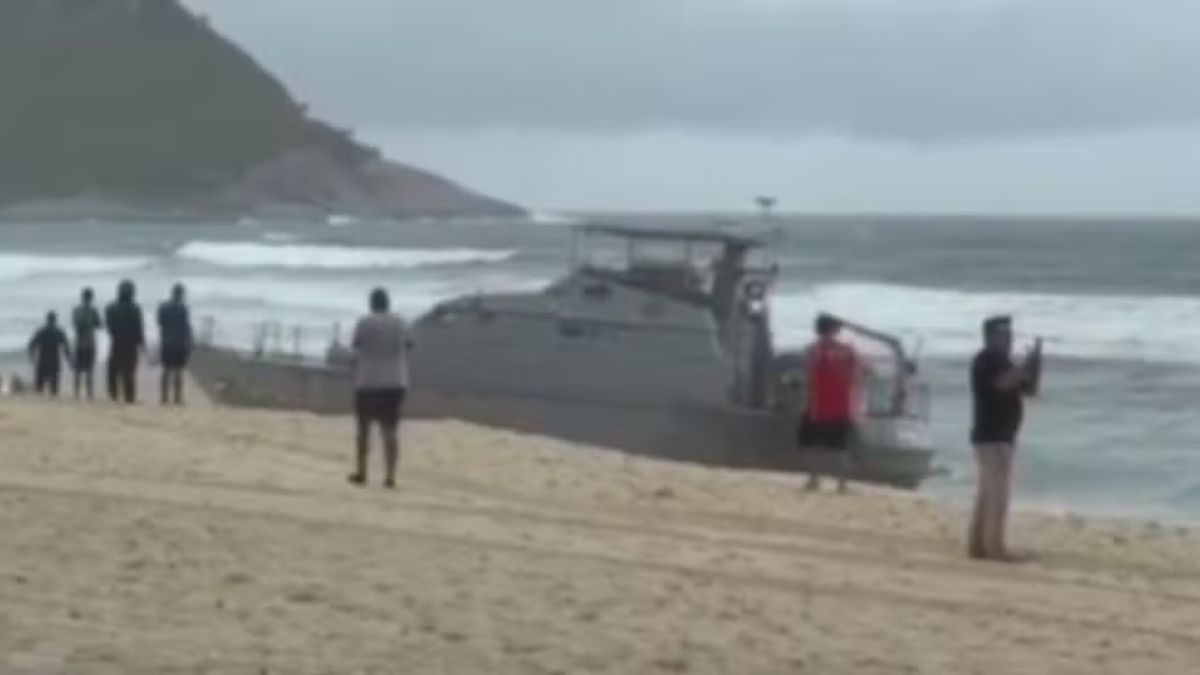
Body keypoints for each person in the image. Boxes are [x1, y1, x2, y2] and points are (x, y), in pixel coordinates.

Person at [969, 315, 1040, 562]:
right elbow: (1001, 384)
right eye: (1003, 335)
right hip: (991, 436)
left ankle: (978, 544)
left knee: (988, 494)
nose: (1009, 340)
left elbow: (1028, 390)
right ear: (991, 337)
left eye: (1010, 335)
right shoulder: (986, 359)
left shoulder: (1003, 361)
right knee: (997, 496)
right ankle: (994, 547)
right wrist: (1022, 368)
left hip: (1001, 437)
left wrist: (1033, 367)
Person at [348, 288, 413, 489]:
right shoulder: (401, 322)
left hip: (368, 381)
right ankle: (390, 476)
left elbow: (356, 345)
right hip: (395, 380)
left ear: (371, 303)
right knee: (390, 430)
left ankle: (362, 472)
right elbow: (409, 345)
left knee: (364, 429)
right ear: (388, 303)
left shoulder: (365, 322)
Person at [797, 313, 867, 494]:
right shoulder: (849, 350)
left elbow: (808, 376)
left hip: (817, 407)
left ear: (817, 329)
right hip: (843, 407)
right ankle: (842, 485)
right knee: (841, 448)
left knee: (811, 445)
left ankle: (814, 480)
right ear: (836, 330)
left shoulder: (812, 350)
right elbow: (860, 374)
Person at [105, 279, 145, 404]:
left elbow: (109, 327)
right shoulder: (135, 309)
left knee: (113, 370)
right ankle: (129, 397)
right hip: (130, 343)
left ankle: (113, 394)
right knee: (129, 372)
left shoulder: (110, 308)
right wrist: (141, 343)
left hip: (116, 341)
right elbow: (139, 328)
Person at [157, 283, 193, 406]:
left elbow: (160, 322)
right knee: (178, 370)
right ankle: (177, 398)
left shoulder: (163, 307)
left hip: (166, 341)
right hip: (179, 342)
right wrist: (189, 342)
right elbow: (185, 326)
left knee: (166, 370)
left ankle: (164, 398)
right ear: (181, 294)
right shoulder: (183, 308)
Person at [27, 312, 72, 397]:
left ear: (47, 319)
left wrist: (31, 356)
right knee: (54, 386)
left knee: (39, 386)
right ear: (55, 320)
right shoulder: (59, 332)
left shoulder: (41, 331)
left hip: (42, 360)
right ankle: (53, 400)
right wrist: (70, 360)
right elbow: (66, 347)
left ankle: (40, 401)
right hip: (54, 360)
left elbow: (31, 344)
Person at [71, 287, 103, 399]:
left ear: (82, 297)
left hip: (79, 342)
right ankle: (89, 393)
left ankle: (76, 393)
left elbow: (74, 324)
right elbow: (99, 325)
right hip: (90, 343)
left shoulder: (76, 310)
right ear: (91, 298)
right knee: (89, 370)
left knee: (78, 370)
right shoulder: (93, 311)